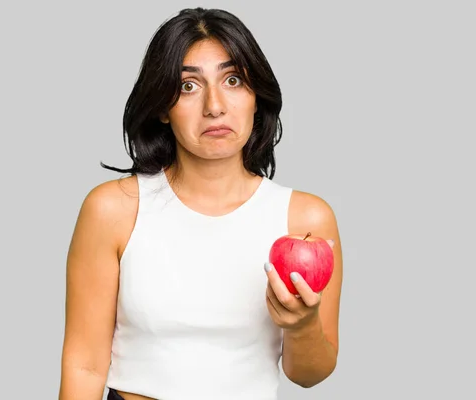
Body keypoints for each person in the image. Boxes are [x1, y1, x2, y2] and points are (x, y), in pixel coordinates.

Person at [58, 7, 343, 400]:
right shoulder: (113, 209)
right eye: (189, 86)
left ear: (256, 96)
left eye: (233, 80)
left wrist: (302, 325)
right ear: (162, 106)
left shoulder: (305, 220)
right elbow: (85, 364)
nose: (214, 105)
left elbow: (310, 375)